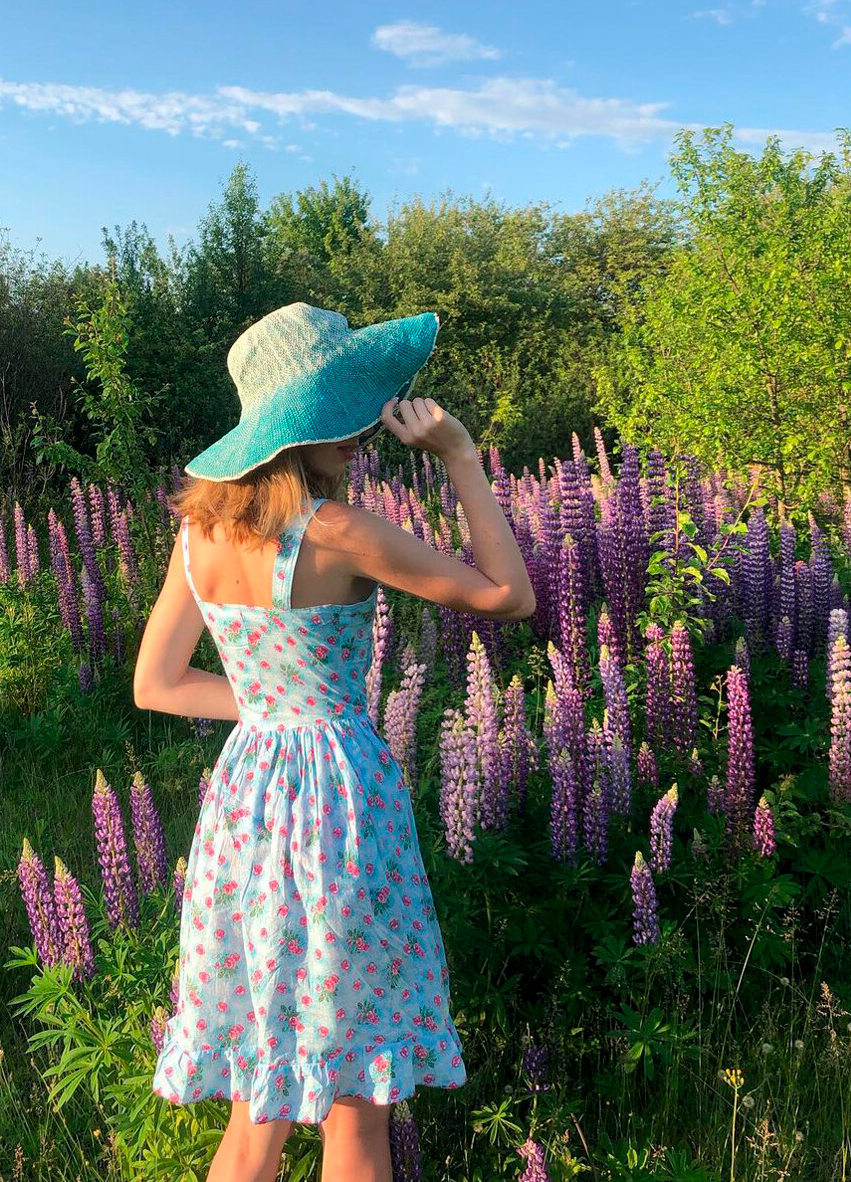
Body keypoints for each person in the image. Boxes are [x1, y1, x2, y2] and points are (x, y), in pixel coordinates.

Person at [133, 302, 535, 1182]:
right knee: (355, 1113)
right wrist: (461, 458)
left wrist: (279, 705)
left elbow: (156, 684)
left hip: (246, 811)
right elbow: (507, 596)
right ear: (297, 428)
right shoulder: (336, 531)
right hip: (338, 811)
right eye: (340, 411)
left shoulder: (198, 535)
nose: (359, 431)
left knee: (257, 1104)